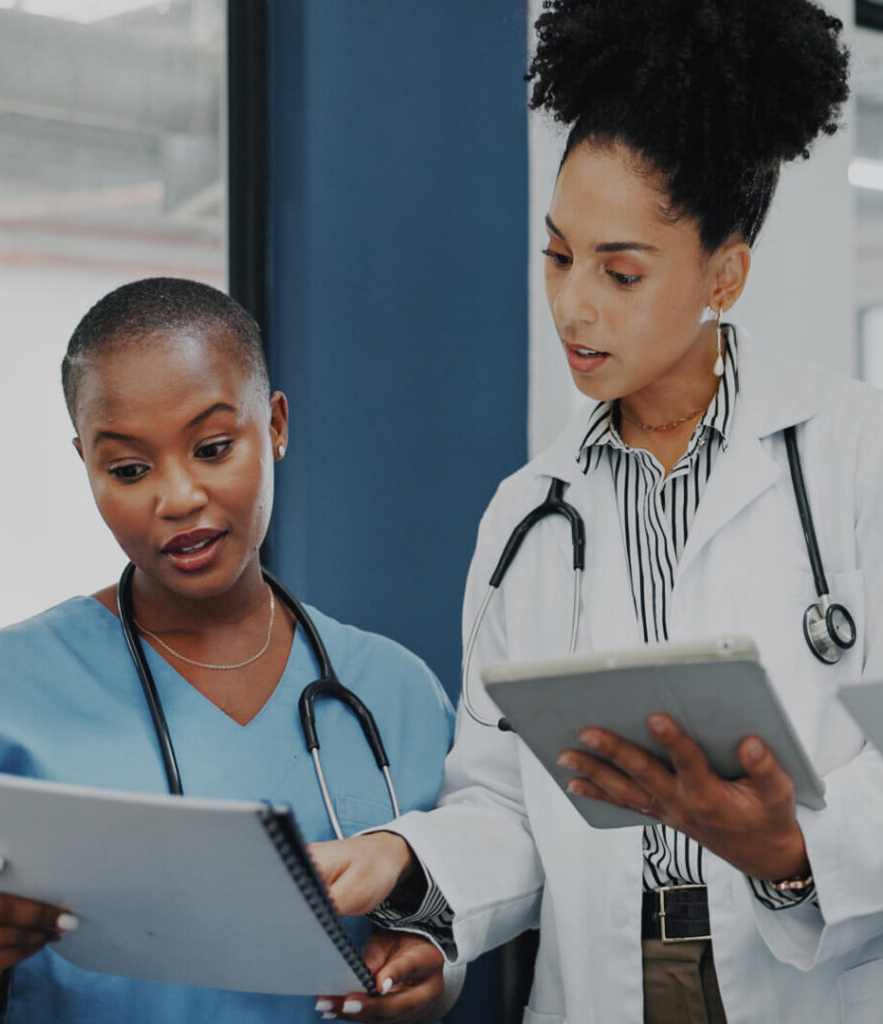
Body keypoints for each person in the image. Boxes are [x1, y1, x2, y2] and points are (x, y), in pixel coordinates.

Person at [310, 2, 883, 1021]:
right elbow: (506, 796)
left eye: (619, 271)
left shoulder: (851, 459)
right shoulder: (525, 516)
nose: (573, 303)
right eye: (556, 254)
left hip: (807, 983)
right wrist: (405, 859)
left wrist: (790, 852)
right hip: (605, 988)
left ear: (724, 272)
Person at [0, 278, 457, 1023]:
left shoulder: (397, 694)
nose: (176, 498)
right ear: (86, 464)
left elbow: (444, 933)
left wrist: (430, 983)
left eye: (212, 448)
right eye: (128, 469)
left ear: (274, 425)